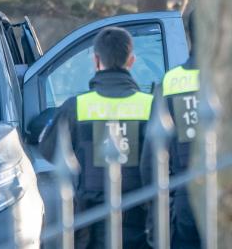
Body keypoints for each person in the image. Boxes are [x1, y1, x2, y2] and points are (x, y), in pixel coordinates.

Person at [40, 27, 152, 249]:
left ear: (96, 60)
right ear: (131, 61)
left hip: (88, 225)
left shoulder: (75, 107)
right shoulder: (150, 105)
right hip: (139, 224)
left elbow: (48, 150)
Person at [140, 12, 202, 248]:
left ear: (190, 35)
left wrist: (158, 215)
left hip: (187, 201)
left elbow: (151, 160)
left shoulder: (171, 82)